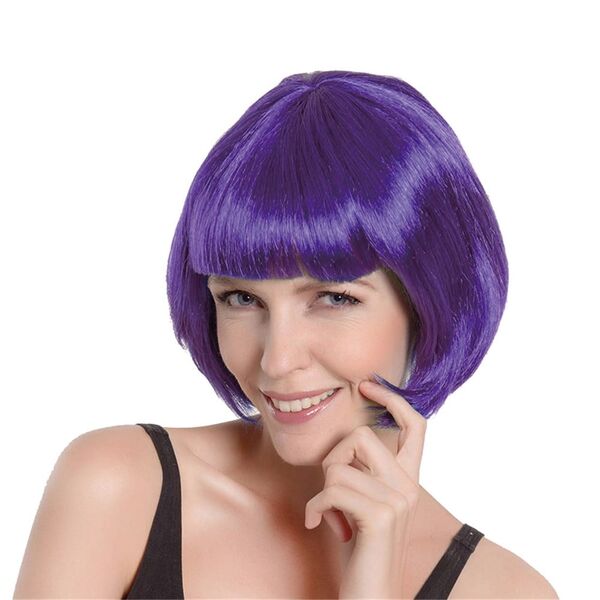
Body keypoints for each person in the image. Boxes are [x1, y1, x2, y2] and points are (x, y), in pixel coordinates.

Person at [14, 70, 558, 599]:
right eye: (241, 299)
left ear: (429, 301)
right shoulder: (118, 488)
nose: (277, 359)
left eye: (334, 298)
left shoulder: (505, 592)